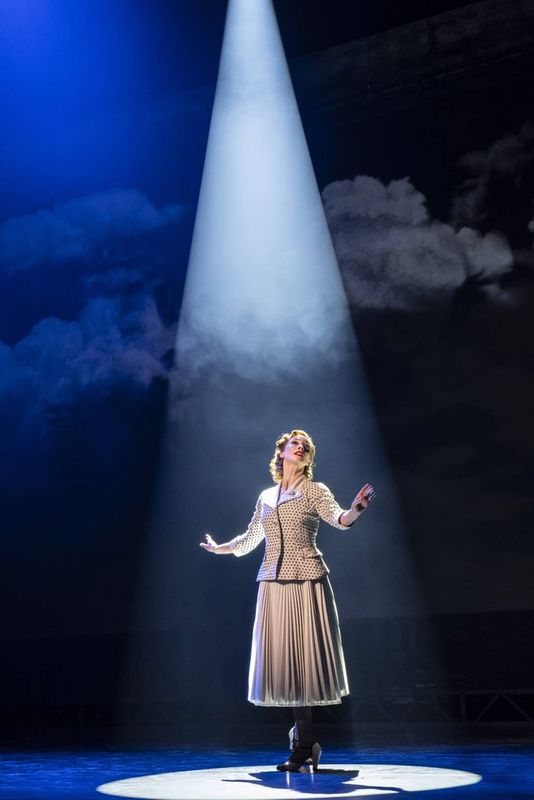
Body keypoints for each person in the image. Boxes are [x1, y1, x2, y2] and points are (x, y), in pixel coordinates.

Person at [200, 428, 375, 771]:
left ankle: (304, 742)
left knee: (305, 662)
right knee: (284, 663)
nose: (300, 448)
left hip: (307, 579)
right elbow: (251, 536)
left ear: (308, 458)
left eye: (306, 446)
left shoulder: (314, 490)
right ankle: (304, 740)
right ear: (281, 451)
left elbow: (339, 519)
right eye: (295, 444)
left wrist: (356, 509)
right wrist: (220, 547)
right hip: (272, 581)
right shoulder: (266, 495)